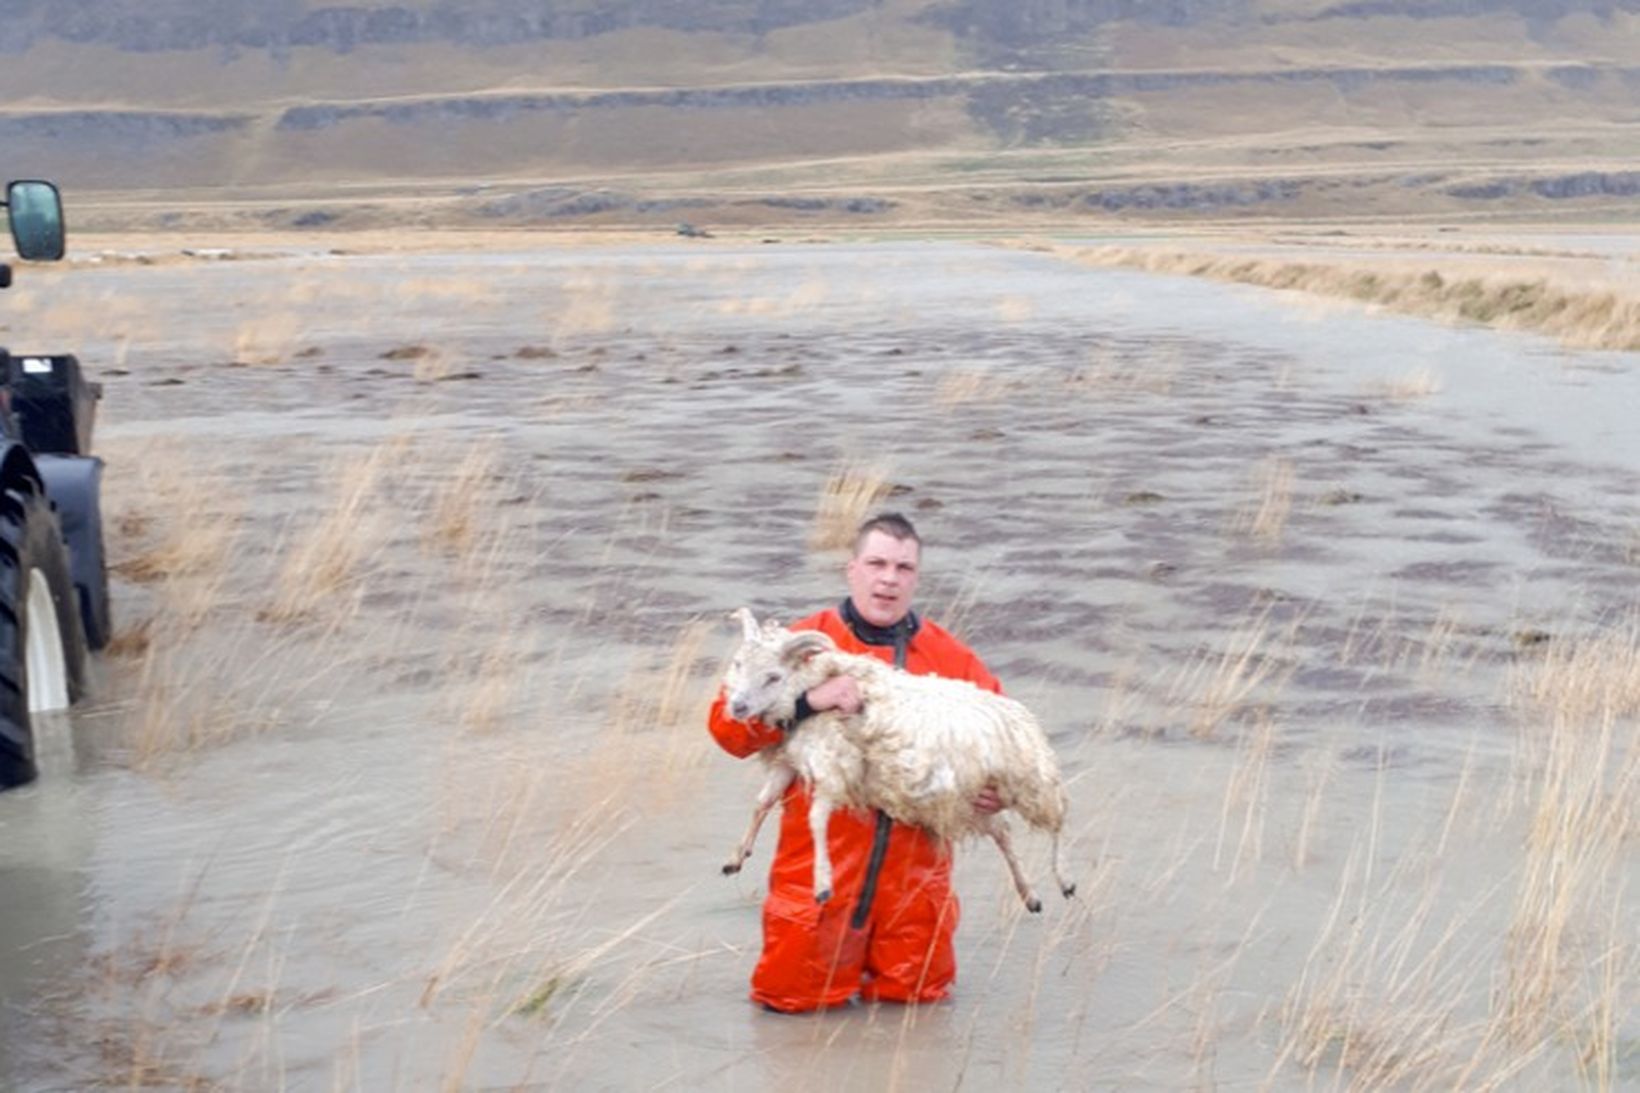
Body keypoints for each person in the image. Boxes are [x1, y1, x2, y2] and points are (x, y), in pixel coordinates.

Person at [707, 512, 1004, 1013]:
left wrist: (995, 789)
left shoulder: (950, 658)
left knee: (919, 1015)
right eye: (877, 563)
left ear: (916, 578)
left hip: (916, 891)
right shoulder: (801, 644)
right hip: (819, 885)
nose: (889, 578)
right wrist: (808, 702)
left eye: (903, 567)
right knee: (789, 1013)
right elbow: (728, 731)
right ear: (852, 570)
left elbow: (1002, 739)